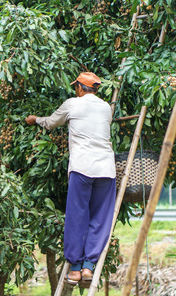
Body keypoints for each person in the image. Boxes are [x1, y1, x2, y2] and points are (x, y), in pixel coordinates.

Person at [25, 72, 116, 285]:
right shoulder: (105, 107)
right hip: (105, 169)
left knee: (78, 215)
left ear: (80, 88)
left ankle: (74, 269)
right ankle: (88, 267)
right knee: (100, 217)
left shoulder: (73, 104)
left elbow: (50, 123)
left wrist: (34, 120)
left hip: (82, 167)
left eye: (76, 87)